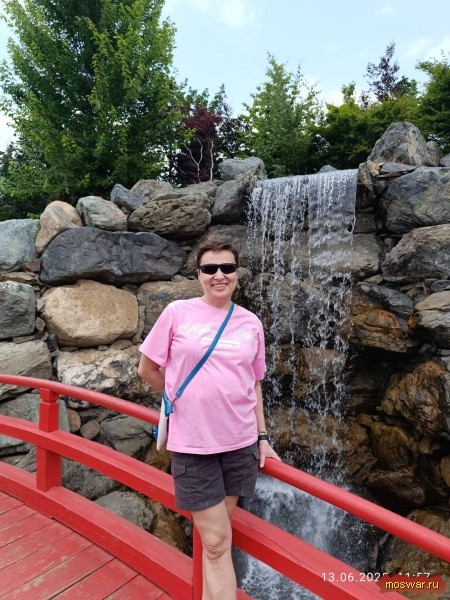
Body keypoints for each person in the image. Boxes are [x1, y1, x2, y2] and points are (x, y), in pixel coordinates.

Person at [138, 240, 281, 600]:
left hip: (240, 443)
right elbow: (147, 368)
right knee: (217, 541)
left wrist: (263, 436)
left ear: (237, 273)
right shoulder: (177, 312)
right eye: (210, 269)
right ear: (199, 274)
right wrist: (178, 396)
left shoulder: (251, 322)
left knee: (216, 539)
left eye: (227, 268)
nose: (219, 275)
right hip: (193, 443)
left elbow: (254, 383)